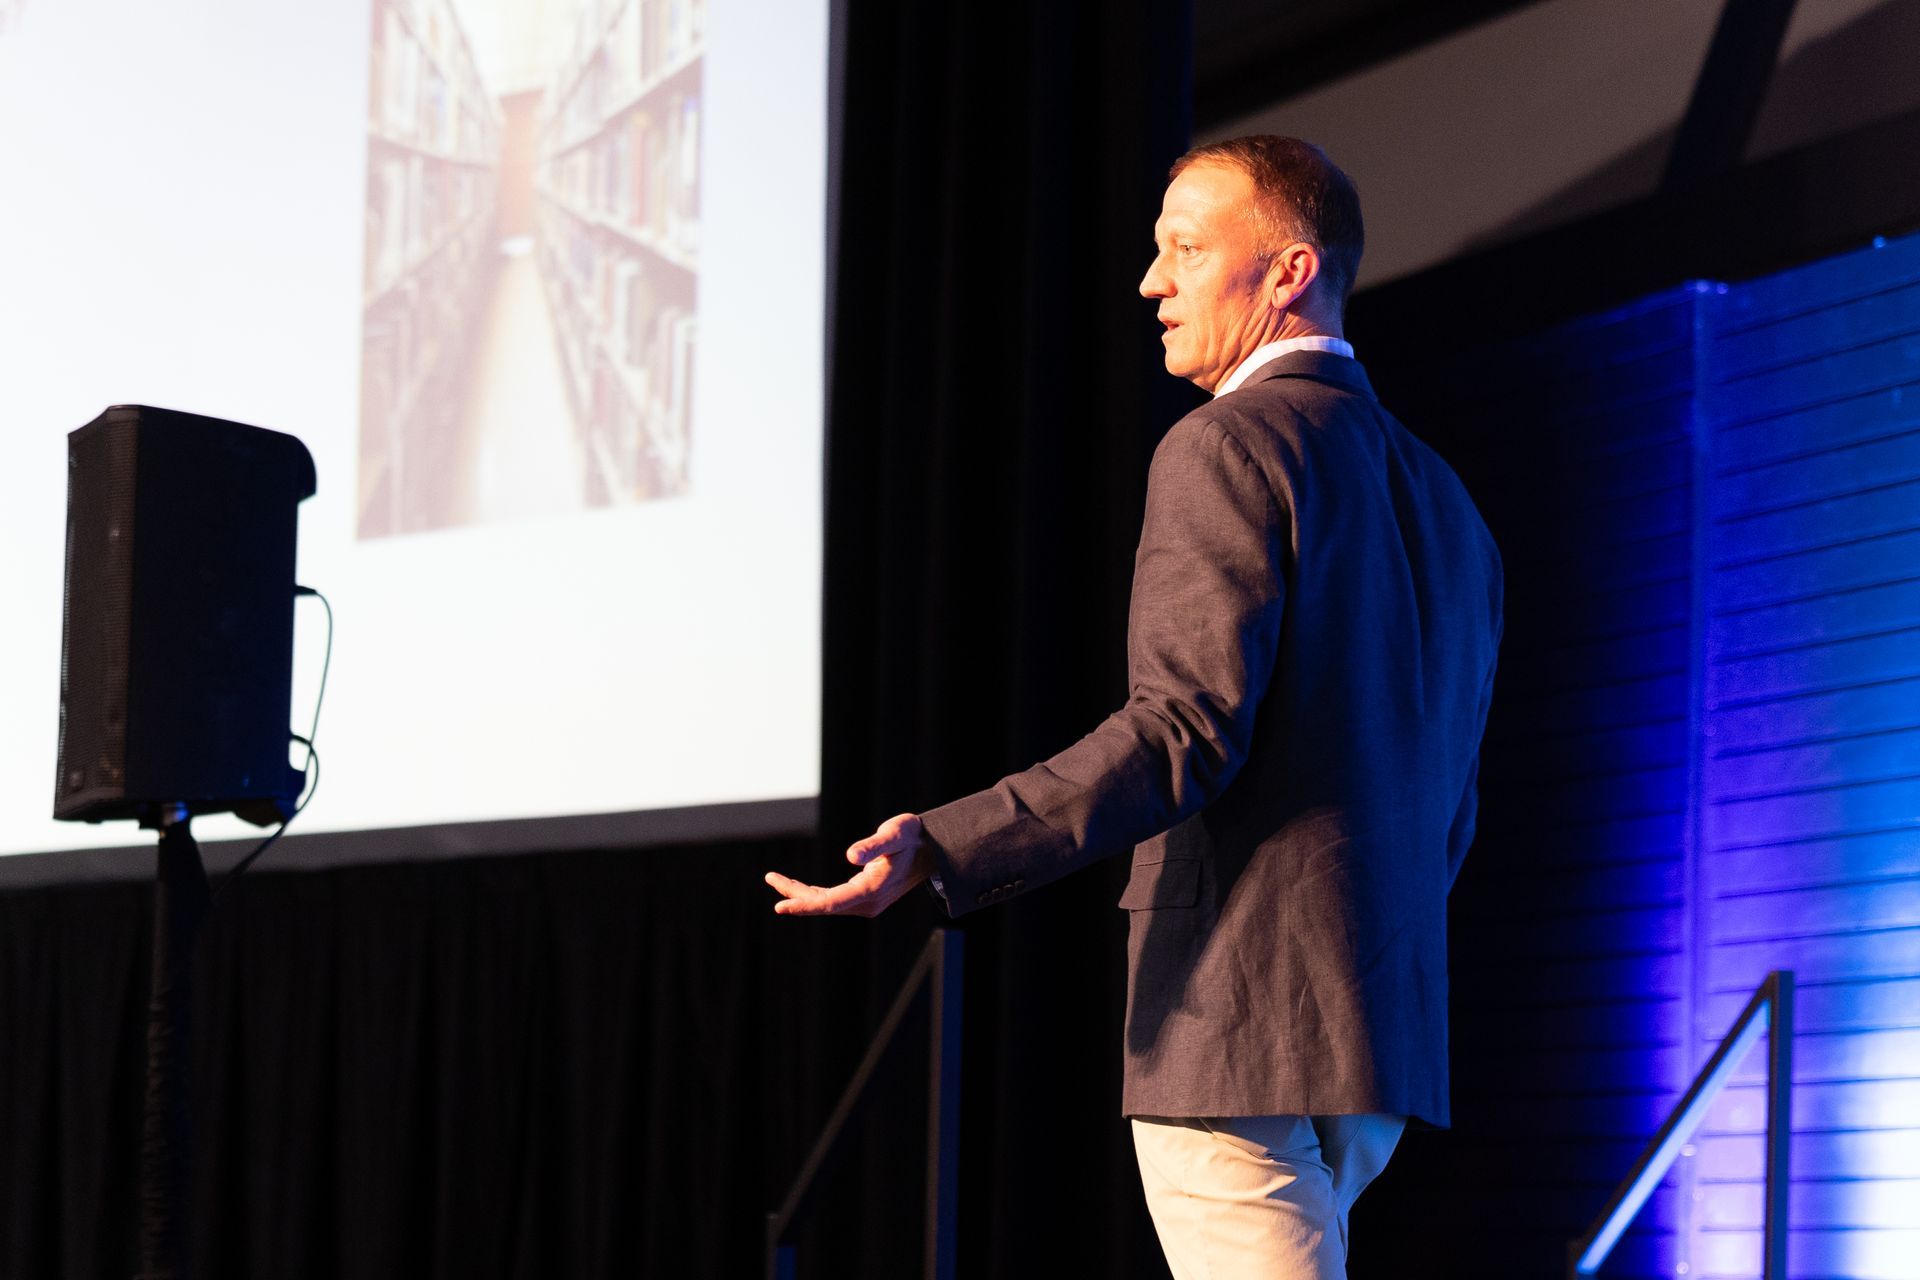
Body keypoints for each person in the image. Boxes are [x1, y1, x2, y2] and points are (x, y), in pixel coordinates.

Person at [766, 135, 1502, 1279]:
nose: (1152, 282)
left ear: (1288, 271)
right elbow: (1452, 802)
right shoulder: (1449, 501)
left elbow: (1182, 731)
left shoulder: (1225, 445)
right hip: (1376, 1037)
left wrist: (947, 841)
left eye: (1186, 249)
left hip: (1238, 1024)